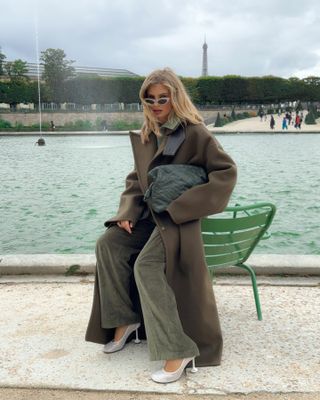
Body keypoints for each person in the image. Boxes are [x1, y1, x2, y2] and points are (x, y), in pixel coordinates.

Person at [85, 68, 237, 384]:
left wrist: (182, 207)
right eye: (150, 99)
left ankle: (179, 348)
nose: (156, 105)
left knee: (146, 267)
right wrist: (127, 212)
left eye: (163, 99)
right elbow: (136, 181)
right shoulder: (148, 133)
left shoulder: (196, 133)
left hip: (179, 223)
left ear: (175, 98)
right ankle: (125, 320)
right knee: (109, 244)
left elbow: (226, 174)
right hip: (150, 218)